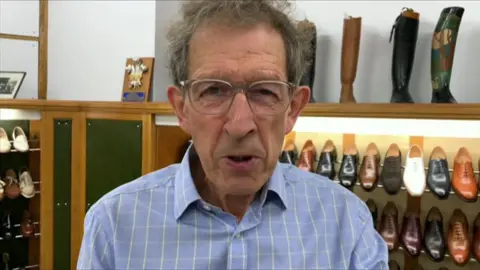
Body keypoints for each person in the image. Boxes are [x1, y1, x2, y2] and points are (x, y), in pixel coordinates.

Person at [77, 0, 388, 269]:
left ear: (293, 108)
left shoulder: (347, 223)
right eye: (213, 90)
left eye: (264, 92)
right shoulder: (114, 226)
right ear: (182, 108)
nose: (240, 125)